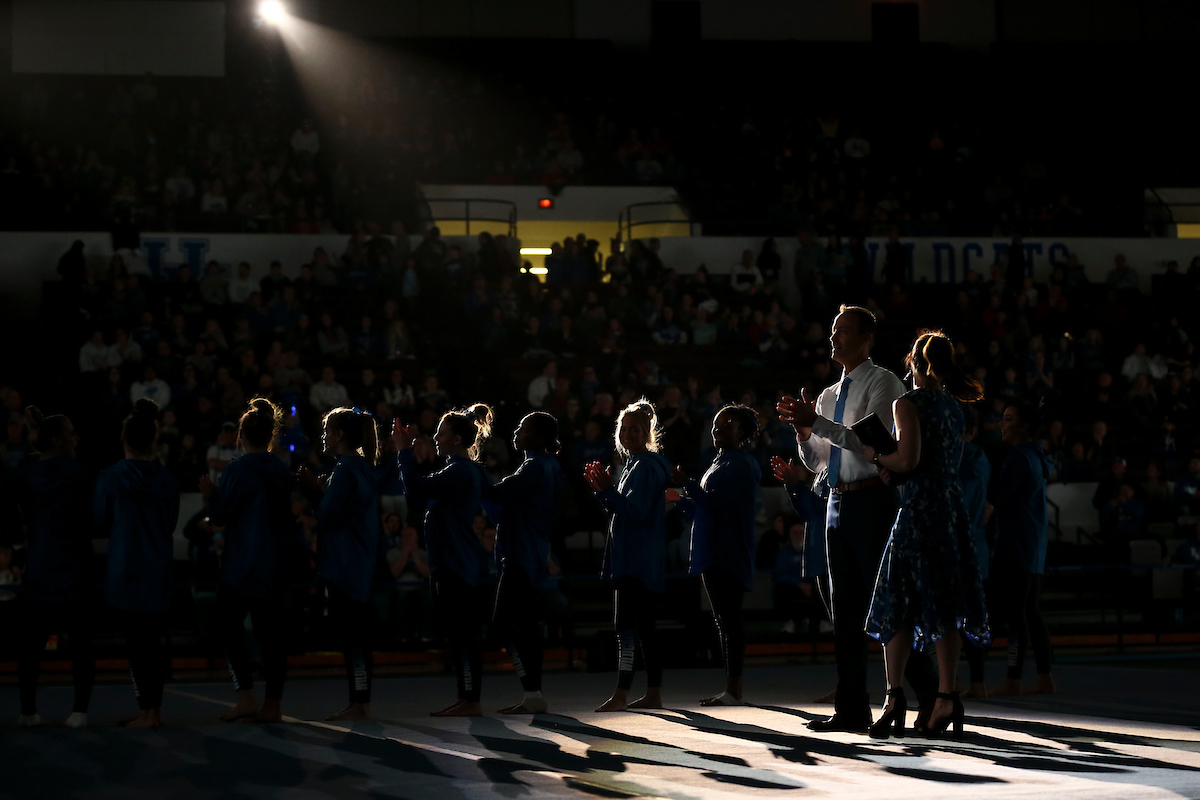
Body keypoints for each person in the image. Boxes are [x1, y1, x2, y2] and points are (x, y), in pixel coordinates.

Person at [777, 305, 938, 733]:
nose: (834, 339)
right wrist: (804, 432)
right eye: (833, 331)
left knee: (887, 603)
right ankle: (851, 707)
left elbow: (870, 443)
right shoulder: (829, 395)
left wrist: (820, 425)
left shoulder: (884, 383)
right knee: (845, 611)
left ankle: (930, 694)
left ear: (867, 340)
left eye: (843, 332)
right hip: (837, 502)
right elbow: (818, 463)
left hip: (872, 501)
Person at [860, 331, 989, 739]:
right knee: (945, 603)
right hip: (950, 509)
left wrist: (877, 456)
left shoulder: (907, 403)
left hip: (920, 510)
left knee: (894, 598)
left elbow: (909, 457)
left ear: (913, 362)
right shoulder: (954, 406)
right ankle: (947, 698)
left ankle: (894, 695)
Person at [394, 405, 494, 717]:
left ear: (457, 439)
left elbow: (415, 487)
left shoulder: (460, 470)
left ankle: (470, 699)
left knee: (461, 634)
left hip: (453, 563)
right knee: (459, 634)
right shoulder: (464, 469)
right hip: (453, 561)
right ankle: (467, 697)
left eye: (442, 433)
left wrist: (403, 453)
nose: (436, 437)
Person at [198, 399, 293, 724]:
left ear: (241, 434)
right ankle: (273, 703)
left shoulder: (237, 468)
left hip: (241, 566)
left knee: (228, 627)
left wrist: (210, 497)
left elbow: (221, 516)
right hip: (274, 563)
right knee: (272, 637)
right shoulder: (280, 469)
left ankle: (246, 696)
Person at [94, 399, 181, 729]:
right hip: (156, 566)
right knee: (152, 642)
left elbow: (100, 521)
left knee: (136, 643)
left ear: (124, 437)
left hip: (126, 567)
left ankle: (147, 710)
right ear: (154, 440)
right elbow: (170, 522)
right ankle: (151, 709)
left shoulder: (110, 477)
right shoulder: (167, 480)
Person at [671, 405, 762, 706]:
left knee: (729, 619)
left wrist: (685, 483)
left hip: (728, 549)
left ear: (743, 433)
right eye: (716, 424)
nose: (718, 429)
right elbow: (704, 508)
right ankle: (730, 687)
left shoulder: (742, 463)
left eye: (727, 425)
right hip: (713, 547)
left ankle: (733, 689)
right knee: (723, 619)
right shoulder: (718, 462)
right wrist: (681, 500)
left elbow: (718, 505)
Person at [584, 400, 671, 712]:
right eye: (624, 429)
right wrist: (604, 491)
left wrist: (607, 491)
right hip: (635, 556)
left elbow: (635, 512)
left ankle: (623, 692)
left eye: (635, 429)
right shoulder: (635, 465)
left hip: (636, 558)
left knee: (628, 624)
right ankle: (651, 692)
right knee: (642, 625)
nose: (629, 434)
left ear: (647, 432)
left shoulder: (645, 466)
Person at [296, 407, 382, 721]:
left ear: (340, 435)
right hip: (354, 560)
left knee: (353, 636)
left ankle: (359, 702)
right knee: (354, 634)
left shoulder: (346, 469)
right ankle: (359, 700)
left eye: (328, 430)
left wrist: (311, 492)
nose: (324, 435)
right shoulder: (356, 468)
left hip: (346, 562)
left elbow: (327, 516)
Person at [482, 411, 567, 714]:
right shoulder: (550, 466)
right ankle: (533, 694)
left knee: (502, 626)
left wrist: (472, 468)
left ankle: (530, 692)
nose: (517, 430)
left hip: (519, 556)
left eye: (525, 428)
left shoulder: (534, 467)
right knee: (526, 627)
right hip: (532, 556)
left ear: (541, 438)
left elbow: (495, 493)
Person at [17, 407, 95, 729]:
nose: (76, 437)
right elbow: (92, 517)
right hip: (73, 568)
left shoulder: (27, 472)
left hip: (39, 567)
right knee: (80, 643)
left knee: (31, 645)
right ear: (60, 440)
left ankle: (27, 711)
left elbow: (22, 516)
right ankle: (79, 711)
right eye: (71, 432)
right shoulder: (78, 472)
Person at [990, 399, 1055, 697]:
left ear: (1023, 426)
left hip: (1015, 543)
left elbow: (999, 499)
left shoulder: (1018, 457)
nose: (1002, 424)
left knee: (1017, 614)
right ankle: (1044, 677)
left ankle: (1013, 679)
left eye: (1008, 419)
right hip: (1033, 545)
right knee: (1032, 612)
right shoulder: (1037, 456)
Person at [957, 405, 993, 698]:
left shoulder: (949, 459)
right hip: (977, 547)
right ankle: (977, 681)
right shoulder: (982, 460)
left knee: (948, 617)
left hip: (953, 544)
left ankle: (951, 680)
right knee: (974, 616)